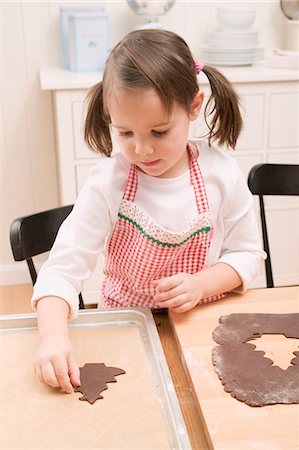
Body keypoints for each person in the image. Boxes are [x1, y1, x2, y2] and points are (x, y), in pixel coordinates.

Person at [32, 29, 265, 394]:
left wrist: (202, 284)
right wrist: (52, 336)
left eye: (159, 131)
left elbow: (247, 254)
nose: (141, 150)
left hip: (199, 329)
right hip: (126, 326)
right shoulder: (109, 183)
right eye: (125, 133)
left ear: (193, 105)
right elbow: (62, 268)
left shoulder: (220, 173)